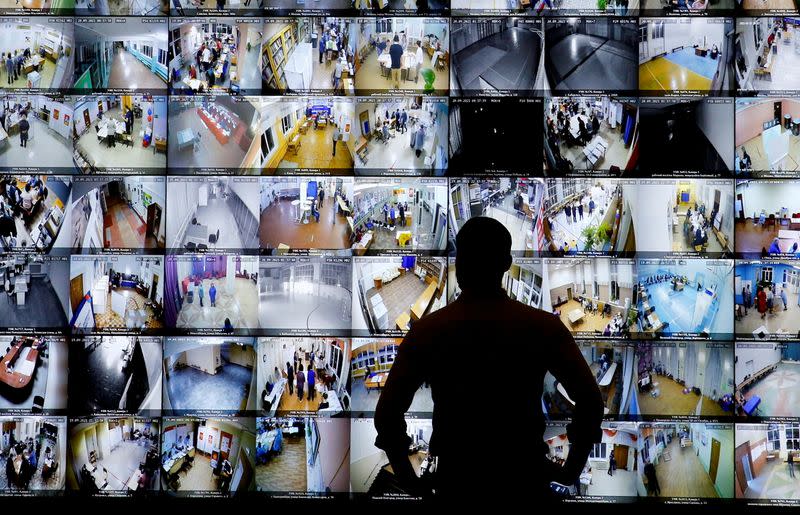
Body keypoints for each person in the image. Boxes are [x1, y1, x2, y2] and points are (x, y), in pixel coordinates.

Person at [373, 217, 604, 502]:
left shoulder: (427, 330)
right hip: (524, 483)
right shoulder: (544, 327)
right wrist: (569, 471)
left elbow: (386, 414)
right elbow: (592, 401)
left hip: (457, 485)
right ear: (507, 264)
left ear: (460, 263)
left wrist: (410, 481)